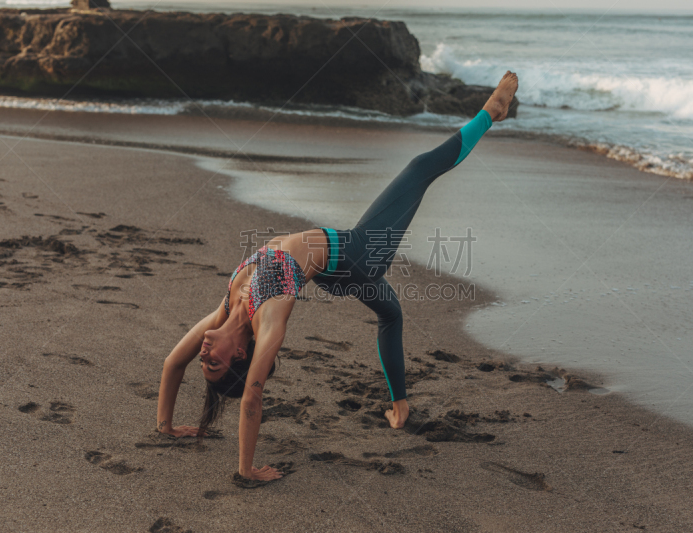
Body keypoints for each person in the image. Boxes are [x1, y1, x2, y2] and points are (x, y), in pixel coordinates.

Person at [156, 72, 519, 482]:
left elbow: (172, 363)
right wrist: (246, 470)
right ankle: (492, 111)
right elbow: (252, 396)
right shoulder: (268, 317)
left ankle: (400, 407)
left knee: (391, 314)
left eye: (204, 362)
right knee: (420, 168)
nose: (204, 354)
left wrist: (165, 427)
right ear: (239, 355)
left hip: (335, 272)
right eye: (213, 363)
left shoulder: (225, 309)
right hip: (359, 255)